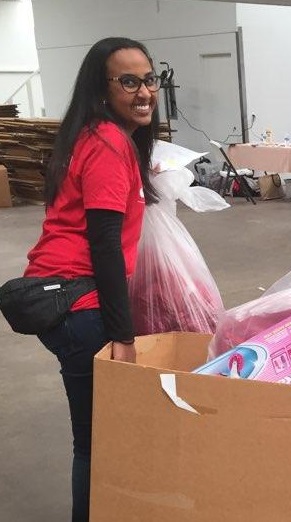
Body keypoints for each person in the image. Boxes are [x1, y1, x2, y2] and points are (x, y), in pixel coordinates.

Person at [22, 37, 161, 521]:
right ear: (101, 91)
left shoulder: (94, 136)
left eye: (149, 79)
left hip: (63, 293)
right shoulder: (107, 143)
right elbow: (104, 245)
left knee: (100, 434)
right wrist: (122, 335)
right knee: (97, 440)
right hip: (79, 303)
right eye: (129, 81)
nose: (144, 92)